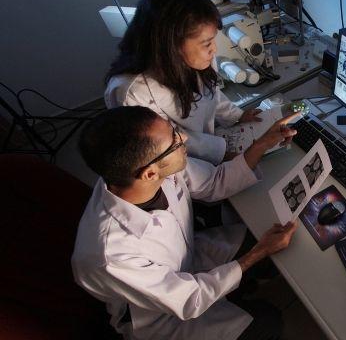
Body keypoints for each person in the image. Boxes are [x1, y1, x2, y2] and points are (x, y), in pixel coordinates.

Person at [72, 106, 300, 340]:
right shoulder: (110, 255)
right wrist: (257, 252)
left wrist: (262, 143)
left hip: (188, 257)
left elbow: (214, 182)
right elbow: (190, 299)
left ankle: (238, 287)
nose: (184, 139)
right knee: (268, 323)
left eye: (174, 131)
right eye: (174, 141)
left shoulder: (145, 169)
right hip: (160, 317)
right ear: (149, 174)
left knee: (263, 238)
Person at [105, 0, 262, 165]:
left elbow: (212, 95)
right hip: (176, 164)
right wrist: (221, 154)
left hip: (209, 147)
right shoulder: (131, 92)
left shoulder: (200, 59)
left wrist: (238, 116)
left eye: (212, 40)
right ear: (171, 44)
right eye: (206, 43)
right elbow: (170, 141)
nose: (214, 50)